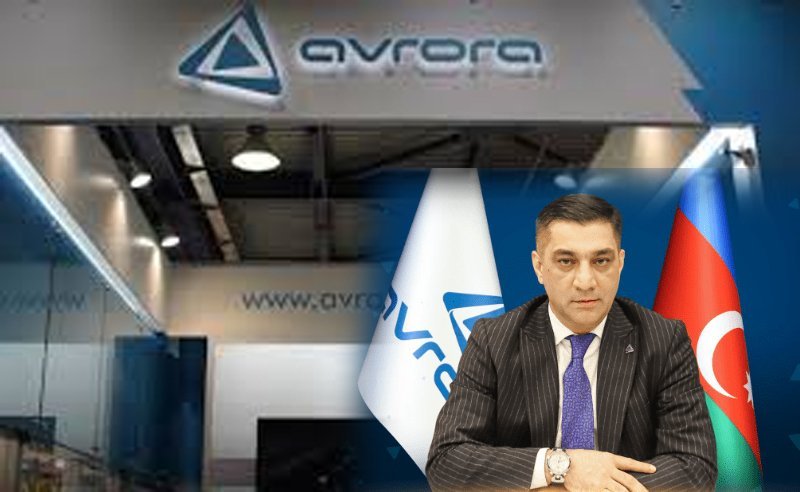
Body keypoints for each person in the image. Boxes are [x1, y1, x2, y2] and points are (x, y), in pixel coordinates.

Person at [426, 194, 717, 491]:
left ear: (620, 262)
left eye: (601, 261)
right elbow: (447, 461)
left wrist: (599, 485)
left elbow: (694, 465)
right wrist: (561, 466)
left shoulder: (664, 340)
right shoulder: (493, 340)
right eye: (566, 261)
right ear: (539, 267)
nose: (585, 281)